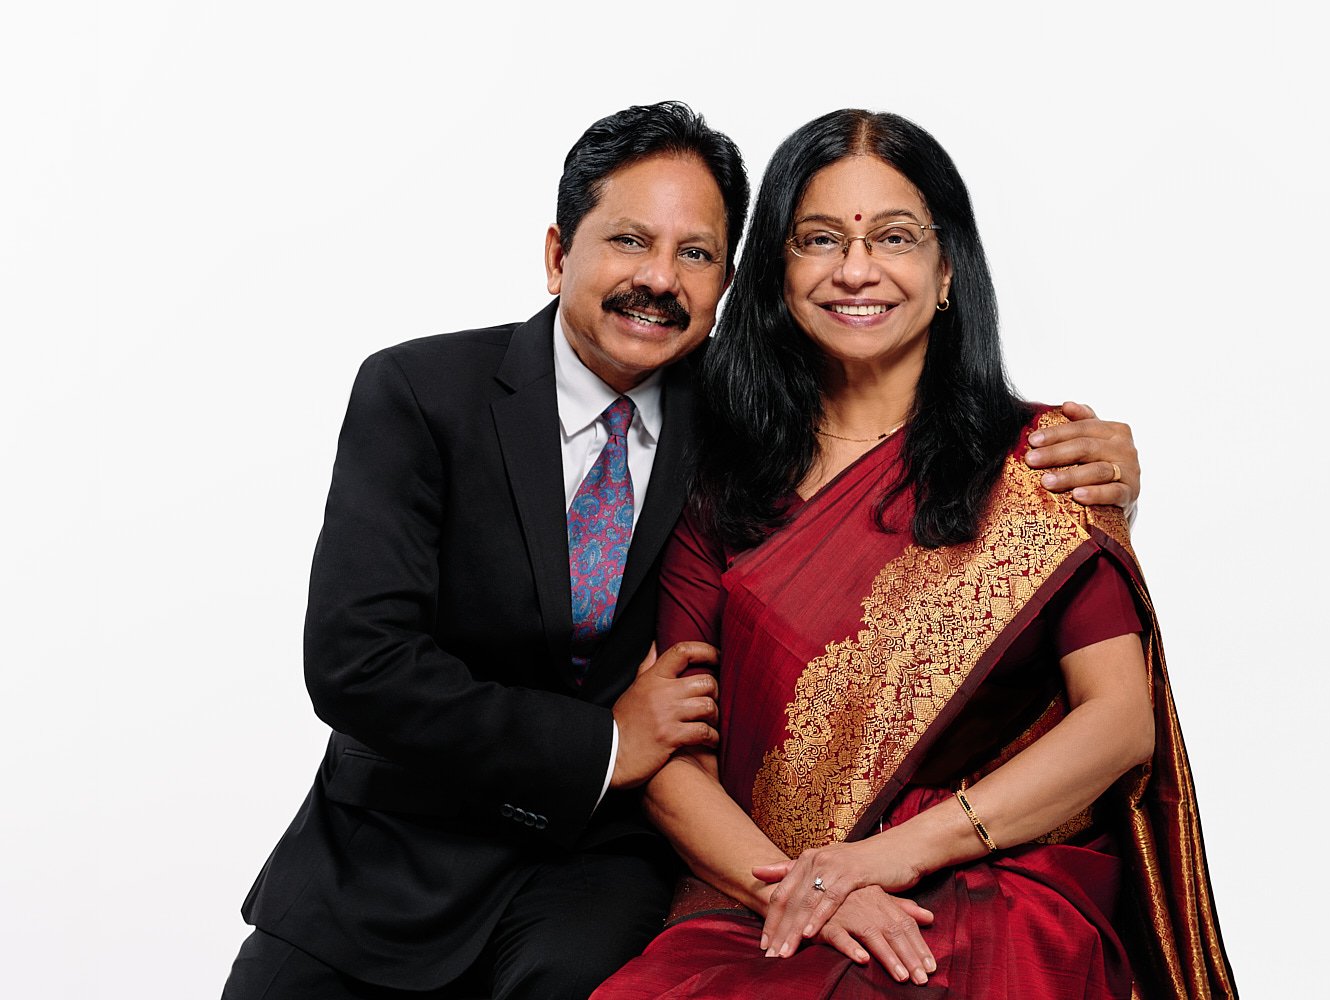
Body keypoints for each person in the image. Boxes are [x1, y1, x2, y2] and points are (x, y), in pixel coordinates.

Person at [221, 102, 1145, 1000]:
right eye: (629, 241)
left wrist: (1097, 476)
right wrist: (609, 743)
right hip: (394, 844)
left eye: (696, 253)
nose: (660, 279)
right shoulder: (428, 394)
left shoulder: (740, 426)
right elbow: (358, 663)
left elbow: (1093, 688)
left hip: (595, 865)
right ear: (557, 254)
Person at [594, 110, 1235, 999]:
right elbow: (671, 751)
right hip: (762, 892)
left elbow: (1117, 722)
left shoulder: (1041, 463)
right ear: (777, 274)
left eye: (893, 237)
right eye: (820, 239)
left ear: (945, 274)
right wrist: (810, 889)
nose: (856, 269)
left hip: (989, 878)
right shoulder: (719, 485)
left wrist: (880, 861)